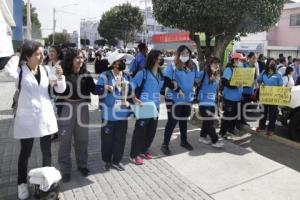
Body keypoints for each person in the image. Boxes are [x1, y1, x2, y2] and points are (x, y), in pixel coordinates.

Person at [4, 40, 66, 200]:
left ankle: (46, 183)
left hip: (45, 117)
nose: (42, 56)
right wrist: (18, 54)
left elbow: (60, 89)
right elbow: (7, 70)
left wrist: (59, 77)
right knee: (25, 153)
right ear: (27, 56)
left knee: (47, 152)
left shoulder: (46, 69)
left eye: (42, 53)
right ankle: (21, 184)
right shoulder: (20, 71)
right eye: (37, 54)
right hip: (27, 119)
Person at [56, 49, 97, 182]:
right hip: (67, 108)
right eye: (77, 58)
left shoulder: (86, 74)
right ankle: (65, 169)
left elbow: (95, 90)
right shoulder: (64, 74)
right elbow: (54, 89)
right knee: (65, 141)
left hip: (83, 108)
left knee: (82, 139)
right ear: (71, 59)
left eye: (82, 58)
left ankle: (82, 165)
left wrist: (104, 85)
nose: (80, 60)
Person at [95, 52, 132, 171]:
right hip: (109, 115)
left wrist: (131, 101)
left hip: (122, 114)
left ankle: (117, 160)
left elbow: (130, 92)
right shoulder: (105, 76)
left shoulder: (126, 76)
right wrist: (105, 88)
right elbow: (97, 90)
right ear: (114, 64)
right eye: (121, 60)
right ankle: (107, 160)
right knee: (107, 140)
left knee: (120, 139)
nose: (123, 63)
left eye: (123, 60)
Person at [161, 45, 199, 155]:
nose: (185, 55)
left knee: (183, 120)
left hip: (187, 98)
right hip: (173, 98)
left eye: (187, 53)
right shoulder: (172, 66)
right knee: (172, 121)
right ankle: (165, 144)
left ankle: (183, 141)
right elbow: (167, 81)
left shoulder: (192, 66)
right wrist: (177, 89)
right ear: (178, 54)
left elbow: (196, 79)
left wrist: (195, 85)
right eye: (183, 53)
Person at [130, 50, 166, 164]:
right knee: (140, 131)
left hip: (156, 107)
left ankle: (143, 150)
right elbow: (132, 85)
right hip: (144, 106)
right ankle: (134, 154)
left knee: (151, 131)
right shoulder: (143, 73)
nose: (161, 60)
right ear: (154, 59)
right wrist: (134, 98)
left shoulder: (160, 74)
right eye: (160, 57)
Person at [197, 57, 224, 148]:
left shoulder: (217, 75)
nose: (216, 65)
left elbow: (216, 90)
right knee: (209, 123)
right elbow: (194, 79)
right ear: (209, 64)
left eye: (218, 63)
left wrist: (218, 101)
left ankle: (202, 136)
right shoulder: (203, 73)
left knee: (207, 121)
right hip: (204, 103)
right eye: (214, 63)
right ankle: (215, 140)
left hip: (212, 103)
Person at [219, 52, 244, 139]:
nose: (241, 62)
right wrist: (234, 86)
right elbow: (225, 82)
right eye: (240, 60)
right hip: (229, 97)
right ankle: (222, 132)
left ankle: (231, 130)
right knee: (227, 116)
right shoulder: (228, 69)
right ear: (235, 60)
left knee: (235, 115)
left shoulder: (240, 70)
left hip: (238, 97)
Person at [256, 58, 283, 136]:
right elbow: (259, 80)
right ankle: (261, 126)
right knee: (263, 112)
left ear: (275, 65)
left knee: (273, 114)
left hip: (274, 98)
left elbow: (281, 85)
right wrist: (261, 84)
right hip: (265, 96)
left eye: (273, 63)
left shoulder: (278, 74)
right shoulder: (264, 72)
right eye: (270, 63)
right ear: (267, 64)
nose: (271, 64)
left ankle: (270, 129)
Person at [238, 52, 258, 128]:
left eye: (255, 58)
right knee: (241, 107)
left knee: (245, 107)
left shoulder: (254, 67)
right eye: (253, 58)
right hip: (243, 90)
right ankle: (239, 122)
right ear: (248, 58)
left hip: (250, 90)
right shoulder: (244, 65)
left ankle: (243, 121)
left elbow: (255, 79)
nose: (254, 60)